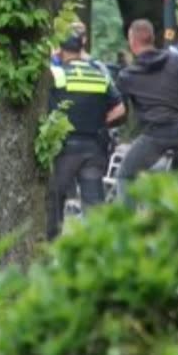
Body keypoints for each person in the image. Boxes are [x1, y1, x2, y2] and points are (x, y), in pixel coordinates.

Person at [48, 34, 126, 239]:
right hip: (93, 148)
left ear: (60, 50)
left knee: (54, 201)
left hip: (63, 149)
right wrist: (101, 123)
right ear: (82, 49)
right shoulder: (99, 75)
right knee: (93, 204)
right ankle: (97, 250)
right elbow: (119, 109)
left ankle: (49, 248)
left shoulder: (56, 75)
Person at [114, 19, 178, 198]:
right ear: (153, 38)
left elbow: (121, 111)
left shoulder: (127, 75)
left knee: (125, 175)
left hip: (155, 135)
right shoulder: (177, 61)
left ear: (132, 41)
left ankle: (129, 223)